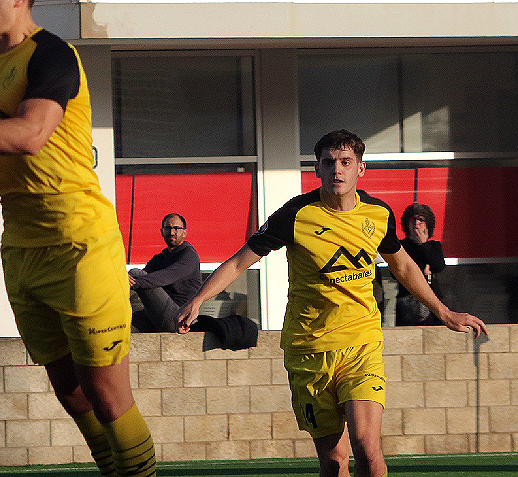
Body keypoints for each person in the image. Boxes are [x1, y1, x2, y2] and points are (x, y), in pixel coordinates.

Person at [0, 0, 156, 477]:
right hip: (22, 251)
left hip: (79, 245)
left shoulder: (53, 53)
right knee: (72, 394)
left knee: (109, 396)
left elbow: (31, 135)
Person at [177, 129, 488, 477]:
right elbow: (239, 261)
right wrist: (199, 298)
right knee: (334, 462)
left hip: (361, 344)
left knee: (368, 452)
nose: (337, 170)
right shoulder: (295, 215)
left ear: (361, 168)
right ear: (317, 169)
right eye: (328, 163)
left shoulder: (378, 214)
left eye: (345, 162)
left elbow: (402, 265)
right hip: (308, 350)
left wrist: (443, 311)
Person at [129, 212, 202, 333]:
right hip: (157, 315)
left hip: (178, 317)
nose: (172, 232)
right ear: (162, 232)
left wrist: (134, 282)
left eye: (176, 228)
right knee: (121, 325)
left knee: (136, 274)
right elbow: (146, 276)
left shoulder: (189, 255)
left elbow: (166, 276)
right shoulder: (160, 258)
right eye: (168, 228)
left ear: (185, 232)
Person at [395, 202, 446, 326]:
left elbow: (438, 266)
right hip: (407, 303)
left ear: (427, 224)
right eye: (413, 220)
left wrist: (423, 245)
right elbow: (396, 270)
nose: (416, 224)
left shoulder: (434, 246)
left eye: (421, 220)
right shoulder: (401, 246)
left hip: (431, 303)